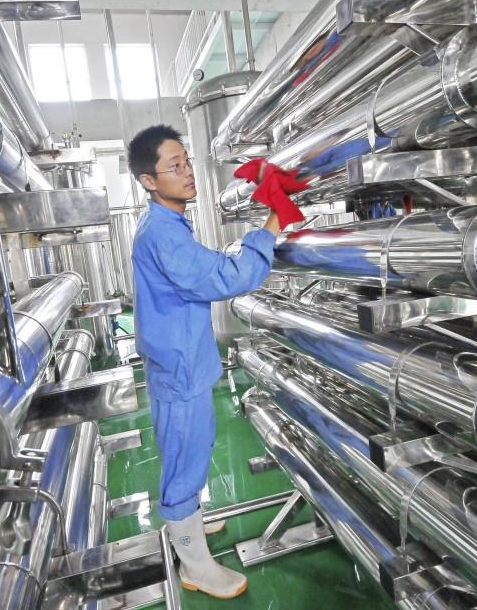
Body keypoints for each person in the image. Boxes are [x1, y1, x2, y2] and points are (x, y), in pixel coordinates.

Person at [127, 124, 282, 599]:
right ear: (149, 181)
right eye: (174, 167)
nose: (187, 172)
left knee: (194, 446)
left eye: (187, 161)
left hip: (182, 359)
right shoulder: (163, 234)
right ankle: (193, 562)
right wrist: (271, 227)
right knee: (185, 456)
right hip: (178, 367)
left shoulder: (170, 224)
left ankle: (190, 519)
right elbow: (224, 277)